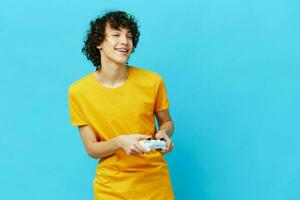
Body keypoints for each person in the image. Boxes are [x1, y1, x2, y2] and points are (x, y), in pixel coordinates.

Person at [68, 10, 175, 200]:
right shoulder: (79, 91)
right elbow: (92, 148)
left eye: (129, 36)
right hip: (111, 188)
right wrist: (119, 142)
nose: (125, 41)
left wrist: (163, 133)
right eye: (116, 35)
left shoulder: (153, 81)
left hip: (154, 184)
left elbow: (167, 122)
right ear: (99, 42)